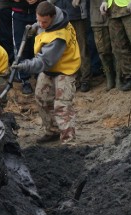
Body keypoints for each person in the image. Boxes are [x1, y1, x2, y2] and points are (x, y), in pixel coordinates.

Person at [11, 2, 80, 143]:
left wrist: (23, 66)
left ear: (53, 18)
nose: (41, 24)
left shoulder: (58, 37)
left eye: (45, 22)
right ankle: (52, 130)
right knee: (41, 97)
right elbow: (41, 24)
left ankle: (69, 142)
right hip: (51, 68)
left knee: (62, 105)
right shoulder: (53, 16)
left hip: (65, 69)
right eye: (39, 20)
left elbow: (43, 62)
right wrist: (35, 27)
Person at [51, 0, 91, 92]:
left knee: (82, 48)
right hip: (59, 16)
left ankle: (85, 79)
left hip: (76, 13)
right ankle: (73, 79)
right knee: (65, 50)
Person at [11, 0, 43, 94]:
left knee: (39, 46)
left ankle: (40, 77)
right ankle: (25, 80)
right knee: (20, 46)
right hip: (19, 13)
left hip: (38, 12)